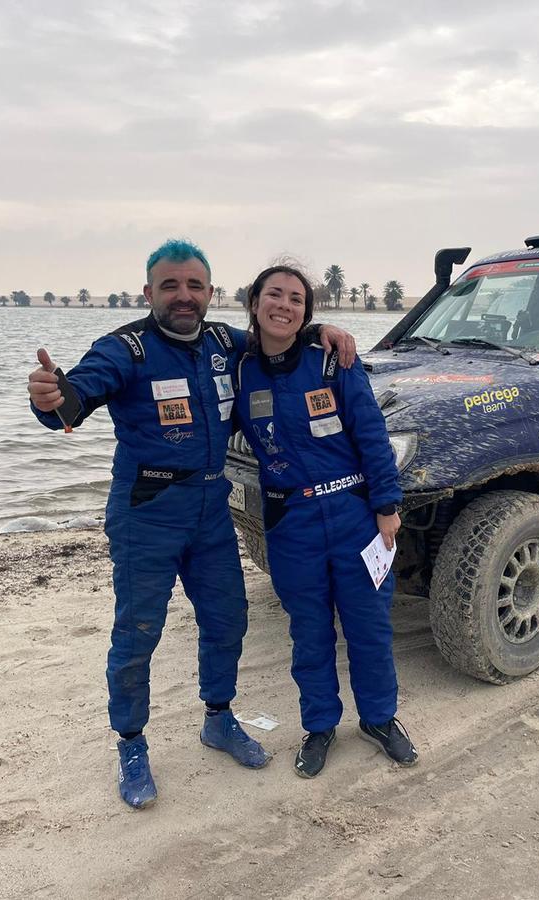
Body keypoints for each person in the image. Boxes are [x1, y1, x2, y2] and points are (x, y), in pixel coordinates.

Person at [26, 239, 357, 809]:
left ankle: (219, 718)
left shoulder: (226, 344)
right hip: (145, 514)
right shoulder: (124, 349)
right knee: (138, 634)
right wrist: (52, 397)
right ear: (149, 291)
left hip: (209, 508)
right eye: (171, 285)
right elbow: (74, 398)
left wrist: (323, 331)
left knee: (229, 619)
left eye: (195, 286)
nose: (184, 296)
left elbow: (280, 334)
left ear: (211, 293)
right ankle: (131, 743)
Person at [233, 264, 417, 778]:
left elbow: (372, 433)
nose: (284, 306)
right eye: (275, 294)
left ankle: (380, 720)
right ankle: (320, 727)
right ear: (254, 301)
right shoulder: (239, 367)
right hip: (292, 523)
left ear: (307, 313)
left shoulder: (334, 360)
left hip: (354, 516)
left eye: (297, 299)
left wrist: (386, 506)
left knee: (369, 628)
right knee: (309, 633)